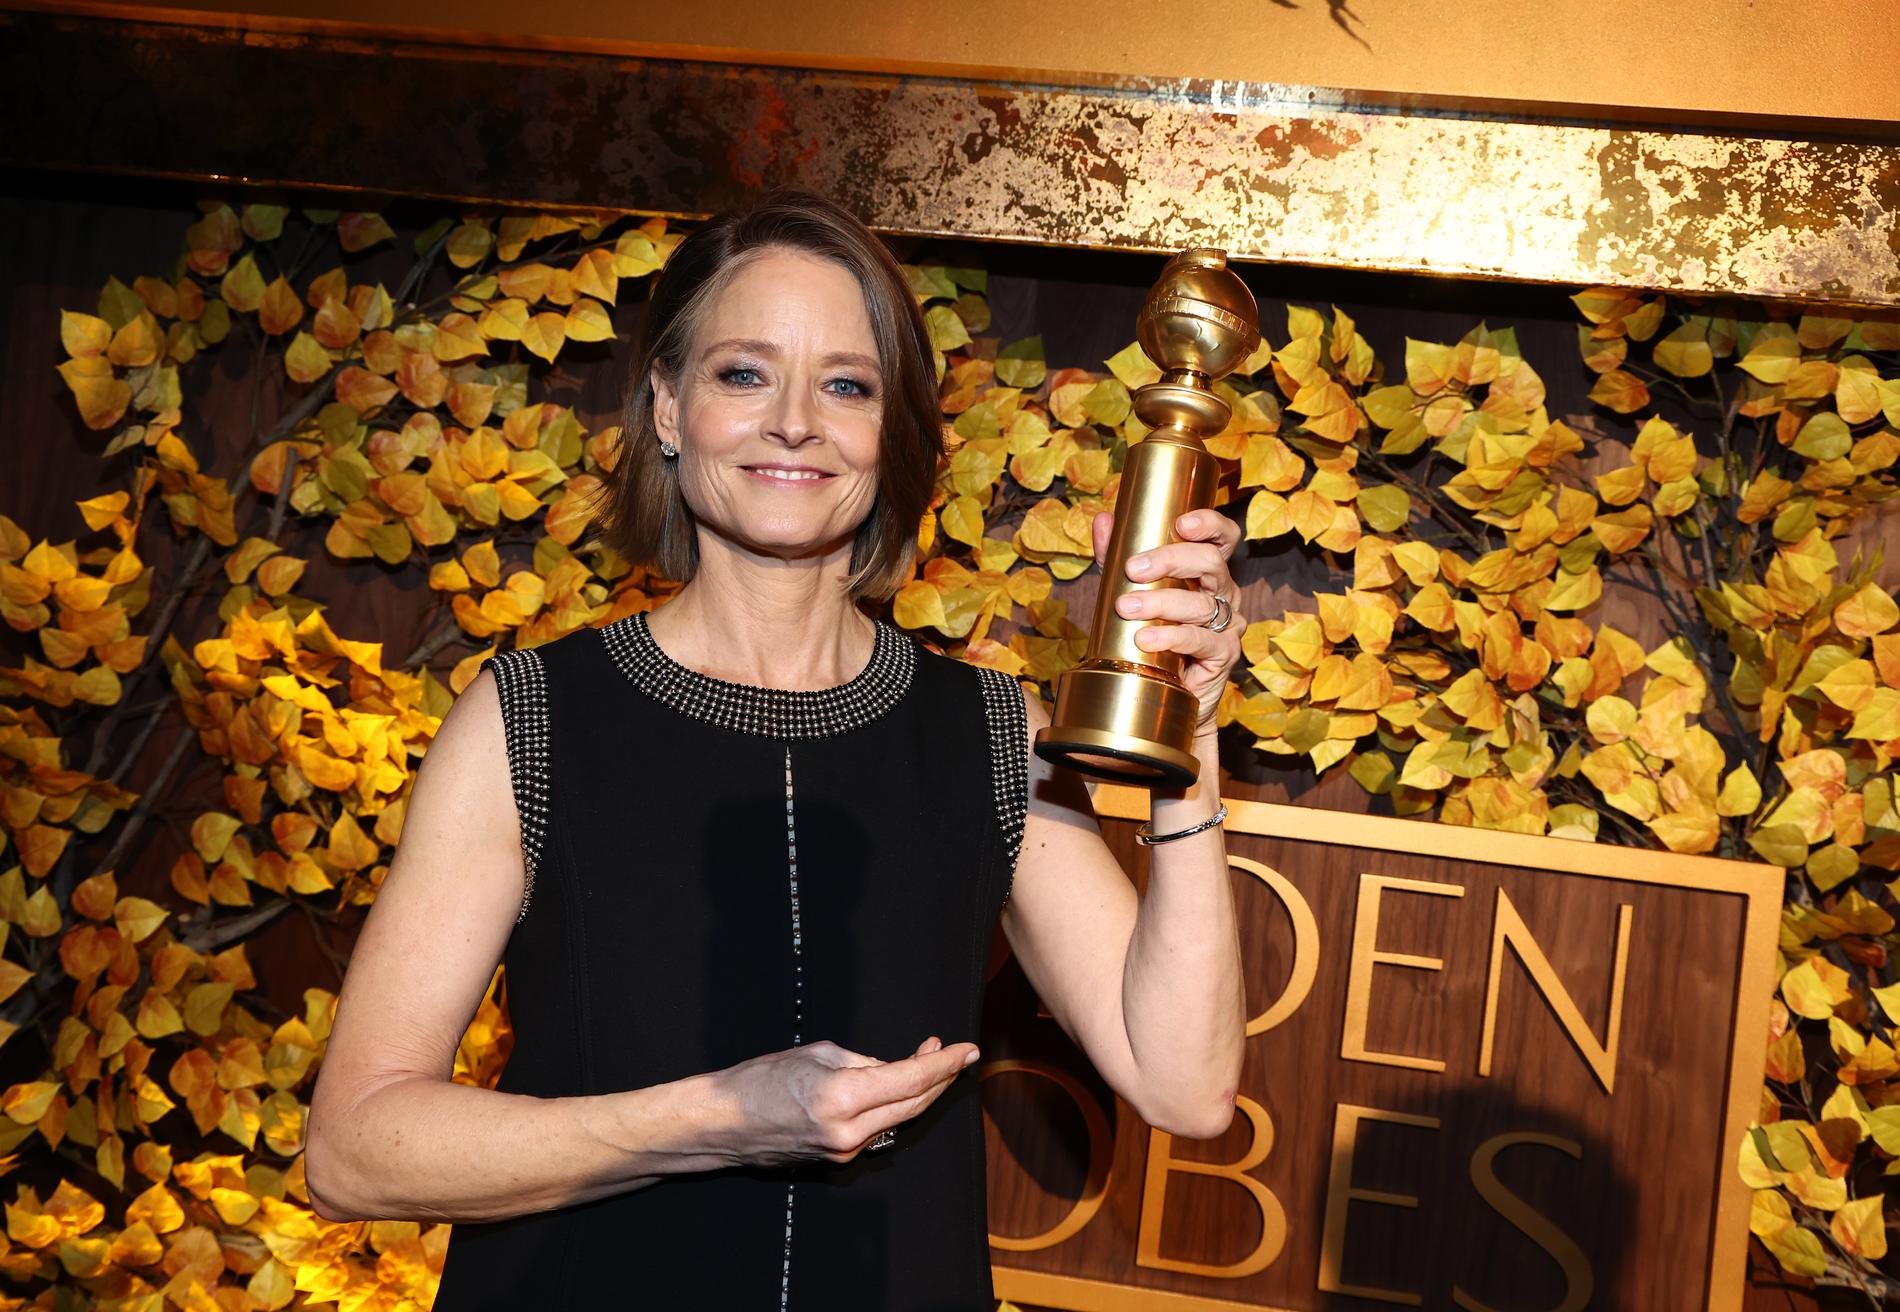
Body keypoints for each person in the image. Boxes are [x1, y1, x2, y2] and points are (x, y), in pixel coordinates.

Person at [302, 189, 1248, 1310]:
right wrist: (714, 1120)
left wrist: (1190, 731)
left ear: (892, 431)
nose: (795, 422)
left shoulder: (996, 734)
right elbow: (353, 1150)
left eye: (846, 384)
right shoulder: (531, 717)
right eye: (744, 373)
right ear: (668, 406)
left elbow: (1185, 1086)